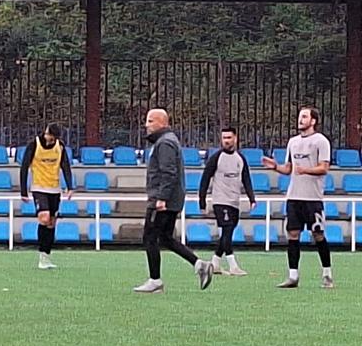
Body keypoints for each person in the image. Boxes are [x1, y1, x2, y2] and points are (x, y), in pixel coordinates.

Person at [133, 108, 213, 294]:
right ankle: (199, 264)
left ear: (162, 122)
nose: (147, 125)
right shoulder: (167, 141)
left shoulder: (165, 143)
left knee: (150, 237)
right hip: (172, 199)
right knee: (166, 238)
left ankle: (155, 281)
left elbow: (168, 172)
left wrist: (161, 198)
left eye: (150, 121)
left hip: (163, 200)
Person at [262, 106, 334, 289]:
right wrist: (275, 167)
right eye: (299, 116)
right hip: (294, 197)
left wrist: (305, 170)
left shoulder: (321, 141)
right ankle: (293, 276)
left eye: (304, 117)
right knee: (292, 234)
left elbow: (324, 168)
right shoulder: (293, 142)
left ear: (313, 121)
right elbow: (289, 168)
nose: (300, 120)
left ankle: (327, 274)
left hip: (313, 198)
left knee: (318, 234)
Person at [198, 126, 256, 276]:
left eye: (229, 138)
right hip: (220, 200)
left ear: (235, 138)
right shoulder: (216, 158)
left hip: (234, 201)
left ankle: (215, 262)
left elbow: (246, 179)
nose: (226, 141)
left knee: (227, 232)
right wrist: (202, 202)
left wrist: (252, 198)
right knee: (228, 229)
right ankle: (233, 265)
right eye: (224, 138)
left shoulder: (240, 159)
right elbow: (205, 179)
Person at [18, 122, 75, 270]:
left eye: (54, 138)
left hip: (55, 189)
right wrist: (23, 191)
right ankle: (41, 258)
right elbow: (24, 166)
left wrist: (70, 187)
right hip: (39, 187)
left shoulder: (59, 146)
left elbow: (65, 166)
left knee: (51, 223)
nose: (51, 140)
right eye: (50, 136)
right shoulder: (34, 144)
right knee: (44, 218)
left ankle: (46, 256)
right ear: (46, 133)